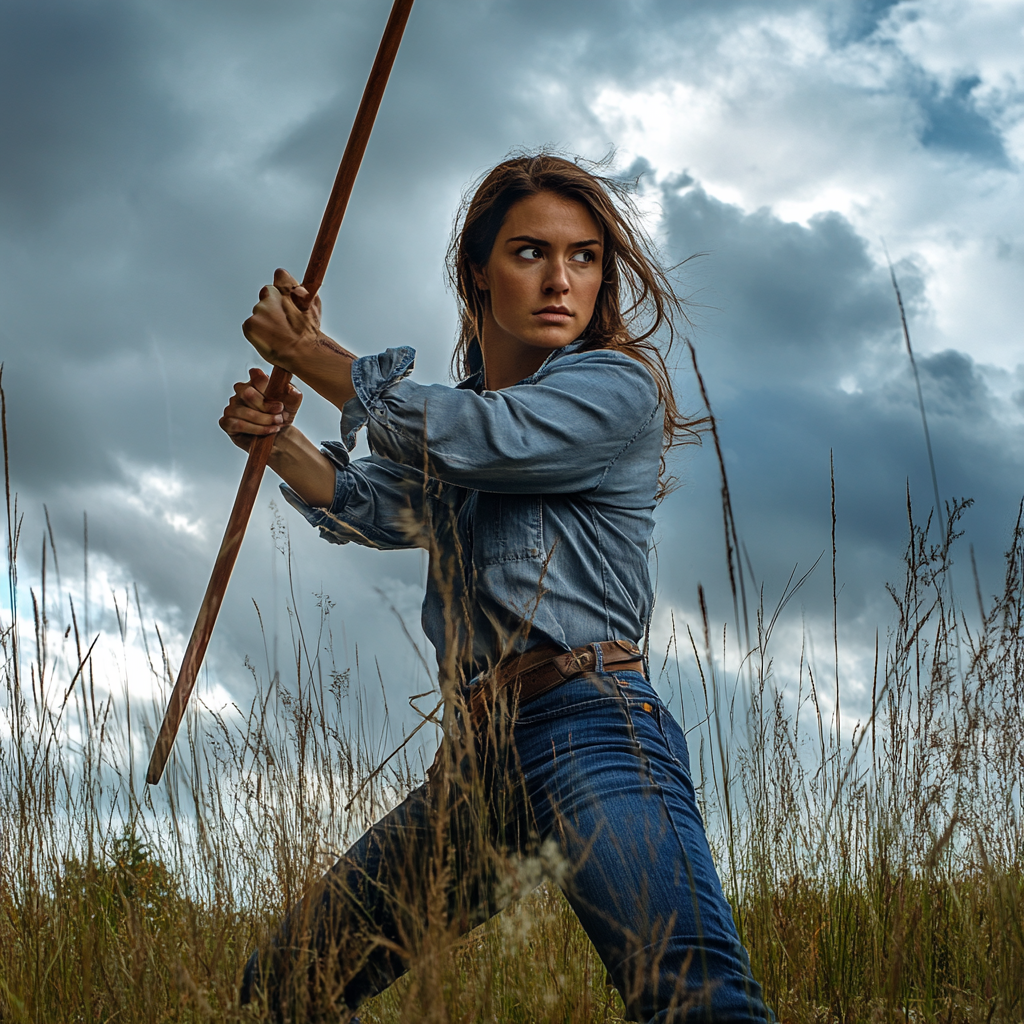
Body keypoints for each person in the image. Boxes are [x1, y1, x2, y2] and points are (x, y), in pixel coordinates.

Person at [224, 154, 773, 1023]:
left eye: (585, 256)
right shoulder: (470, 418)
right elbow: (394, 505)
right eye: (530, 253)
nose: (562, 279)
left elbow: (477, 438)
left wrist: (314, 354)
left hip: (590, 721)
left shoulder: (615, 388)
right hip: (479, 755)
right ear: (479, 271)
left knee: (691, 993)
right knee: (286, 987)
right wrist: (280, 442)